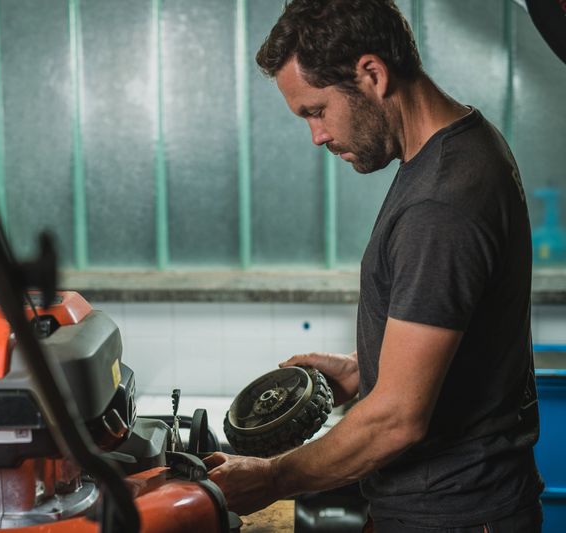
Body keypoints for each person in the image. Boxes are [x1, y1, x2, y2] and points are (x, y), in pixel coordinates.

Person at [204, 1, 544, 531]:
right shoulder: (461, 147)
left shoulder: (441, 203)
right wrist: (368, 369)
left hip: (453, 513)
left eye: (316, 111)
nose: (316, 136)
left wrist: (270, 477)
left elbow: (397, 420)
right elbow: (462, 326)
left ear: (372, 74)